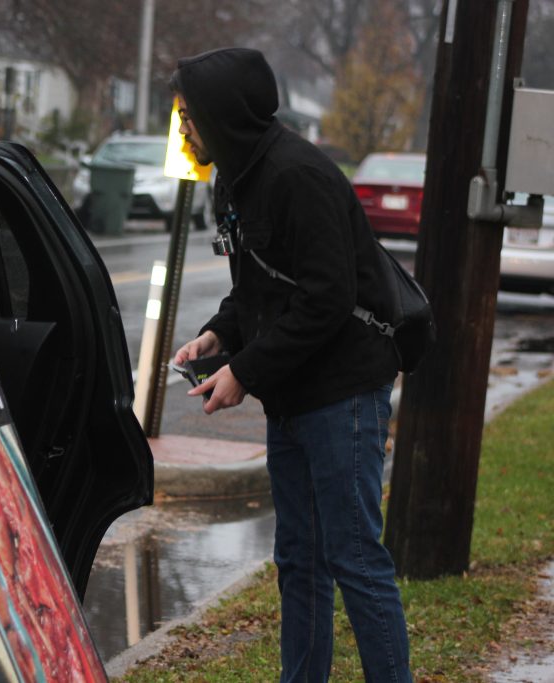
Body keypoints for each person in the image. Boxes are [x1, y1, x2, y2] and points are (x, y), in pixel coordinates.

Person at [170, 48, 413, 683]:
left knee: (354, 558)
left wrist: (245, 372)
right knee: (299, 559)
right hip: (293, 397)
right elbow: (256, 289)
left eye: (190, 115)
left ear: (223, 115)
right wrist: (218, 335)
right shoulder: (234, 177)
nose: (184, 127)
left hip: (344, 395)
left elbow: (327, 298)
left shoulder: (297, 175)